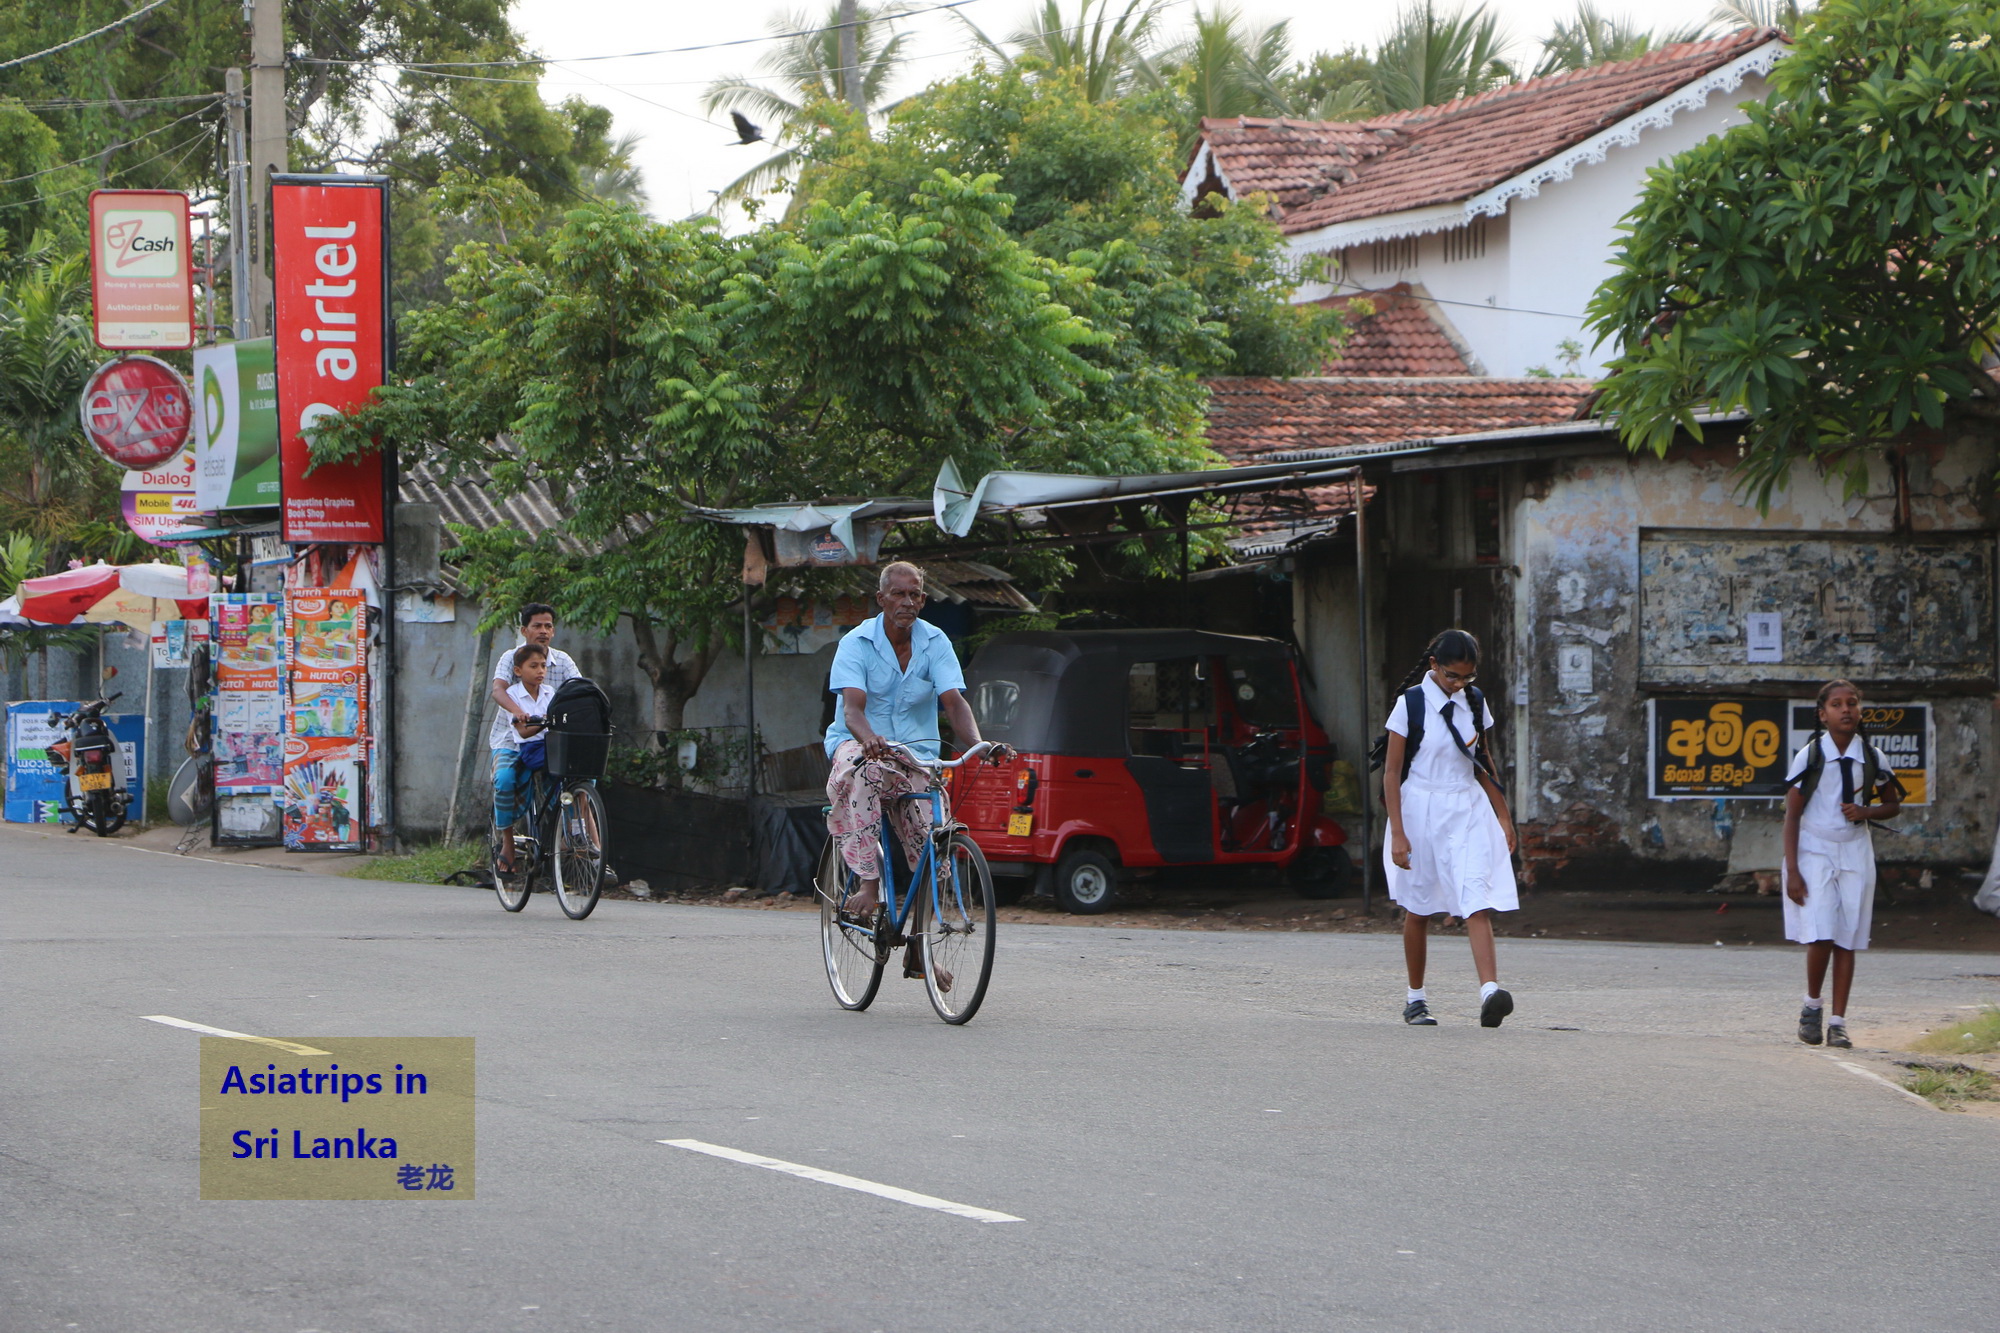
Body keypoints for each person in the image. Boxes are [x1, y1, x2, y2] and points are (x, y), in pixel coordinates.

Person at [823, 561, 1009, 984]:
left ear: (923, 600)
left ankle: (920, 948)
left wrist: (979, 746)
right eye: (899, 594)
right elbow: (852, 709)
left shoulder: (935, 642)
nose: (907, 602)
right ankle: (869, 884)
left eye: (915, 595)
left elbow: (954, 702)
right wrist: (870, 738)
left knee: (936, 838)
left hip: (915, 756)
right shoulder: (856, 643)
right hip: (860, 745)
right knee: (867, 773)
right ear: (882, 599)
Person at [1380, 629, 1520, 1028]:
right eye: (1452, 676)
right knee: (1419, 907)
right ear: (1433, 666)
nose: (1459, 684)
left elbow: (1482, 760)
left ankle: (1490, 992)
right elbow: (1391, 772)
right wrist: (1399, 832)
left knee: (1476, 895)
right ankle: (1416, 999)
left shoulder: (1474, 701)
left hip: (1466, 807)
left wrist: (1504, 816)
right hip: (1420, 808)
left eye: (1467, 678)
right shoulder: (1410, 705)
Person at [1783, 679, 1902, 1049]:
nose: (1846, 709)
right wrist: (1793, 870)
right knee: (1821, 931)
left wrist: (1866, 810)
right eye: (1837, 704)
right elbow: (1791, 815)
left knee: (1848, 936)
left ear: (1860, 710)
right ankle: (1812, 1006)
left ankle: (1838, 1022)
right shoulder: (1811, 756)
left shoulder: (1872, 756)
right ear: (1823, 715)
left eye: (1852, 703)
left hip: (1854, 850)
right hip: (1814, 848)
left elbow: (1893, 804)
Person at [493, 643, 555, 876]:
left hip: (548, 748)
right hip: (526, 748)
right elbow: (522, 732)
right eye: (533, 666)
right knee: (505, 780)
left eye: (543, 666)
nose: (540, 671)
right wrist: (535, 719)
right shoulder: (513, 696)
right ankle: (507, 842)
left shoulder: (550, 693)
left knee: (571, 777)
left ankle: (571, 836)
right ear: (518, 671)